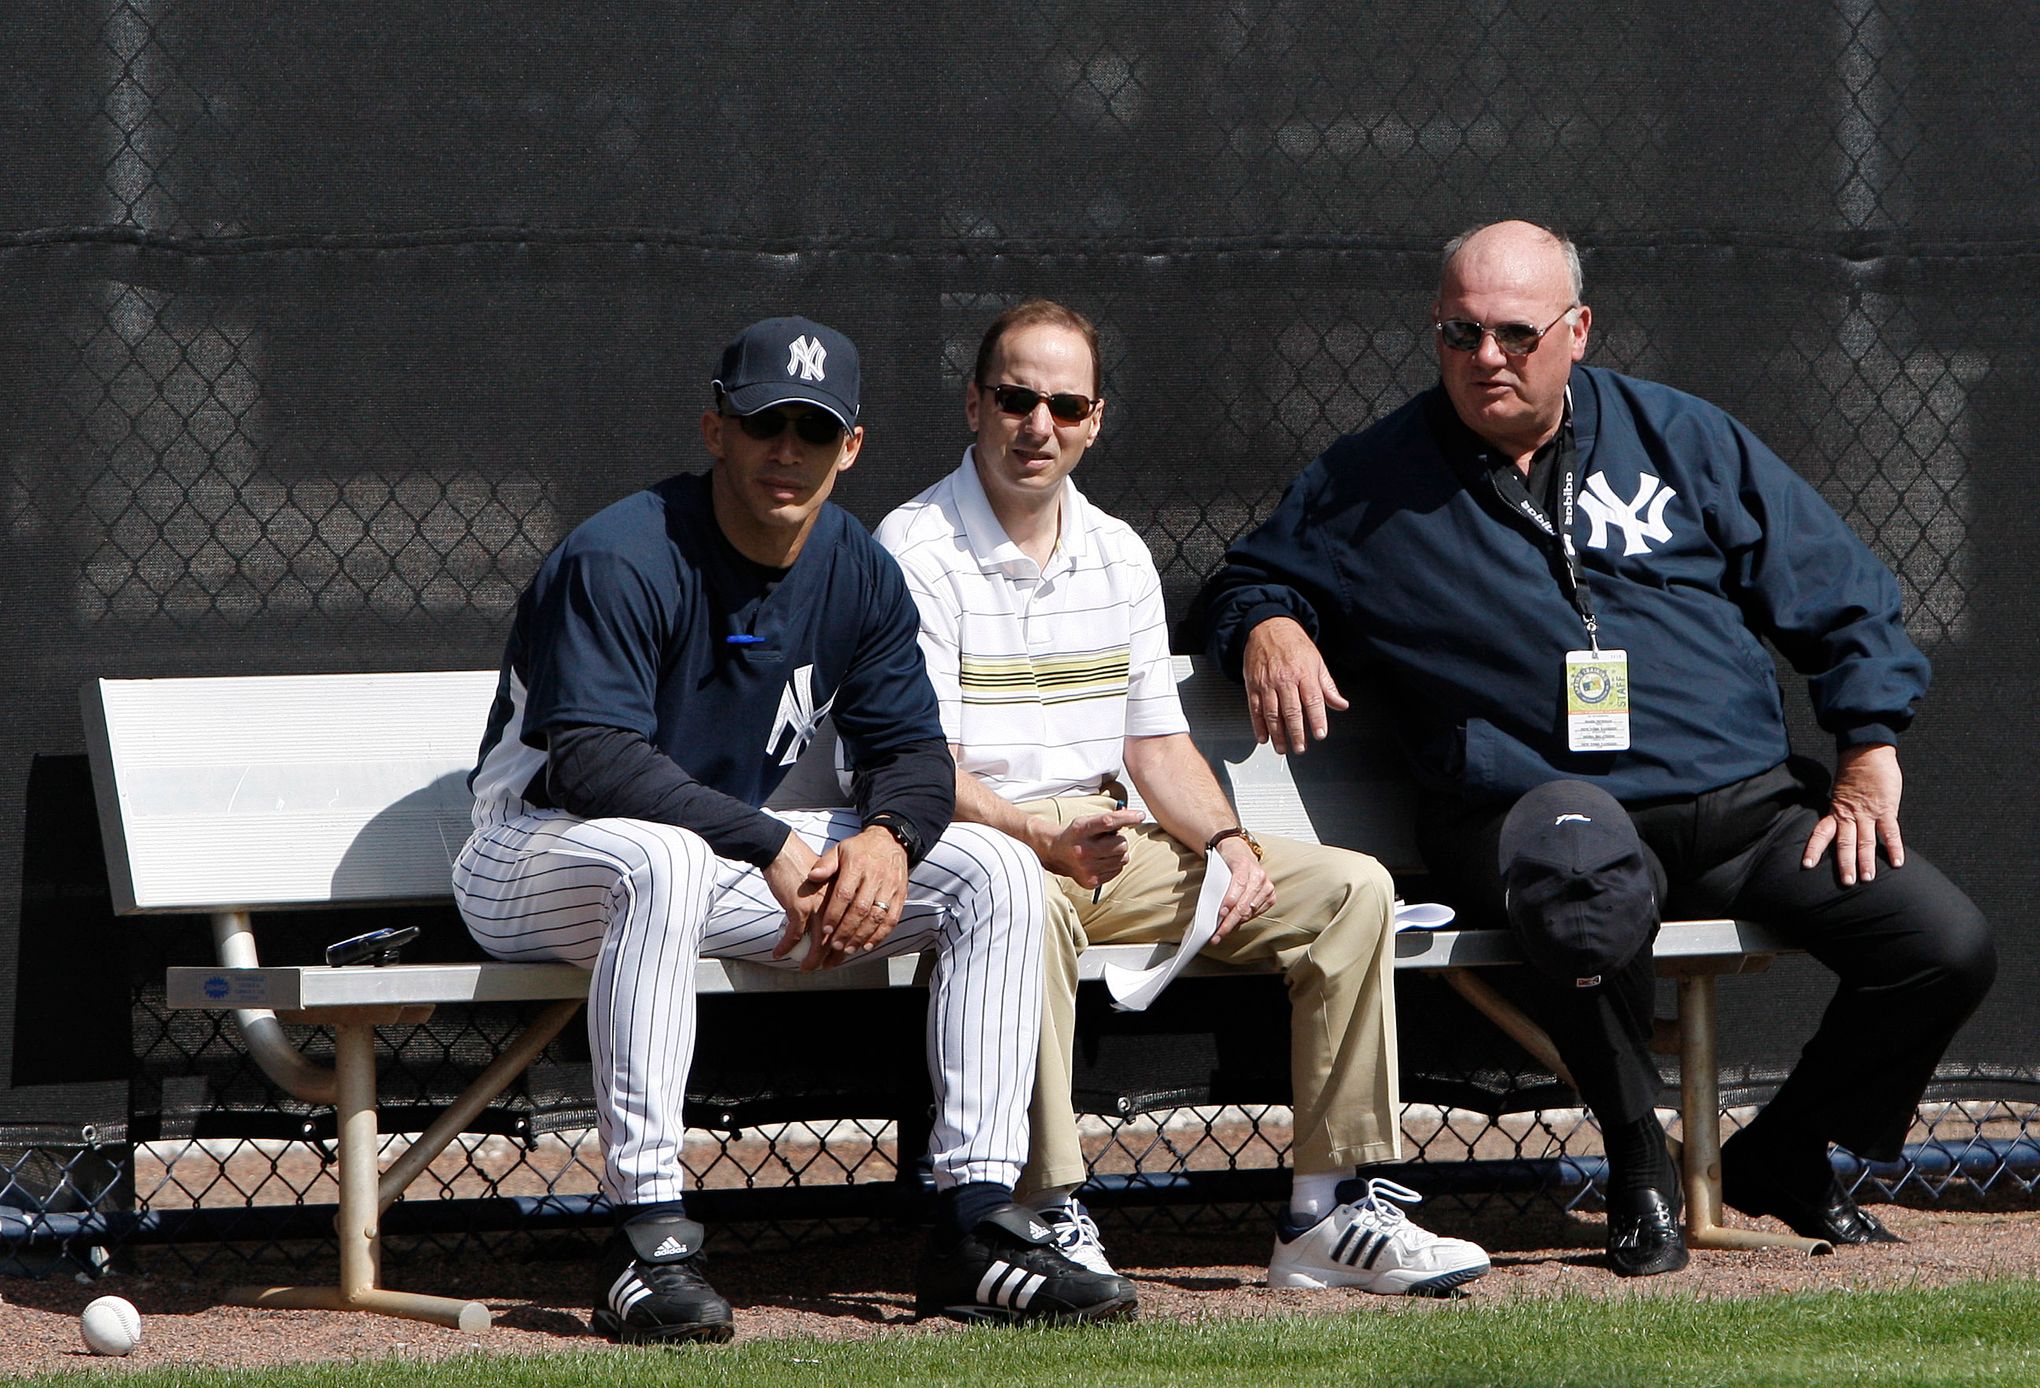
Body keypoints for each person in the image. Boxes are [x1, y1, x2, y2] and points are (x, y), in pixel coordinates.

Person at [1190, 221, 1996, 1278]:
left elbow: (1841, 592)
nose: (1486, 357)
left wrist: (1868, 745)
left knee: (1943, 942)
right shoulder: (1370, 481)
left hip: (1739, 803)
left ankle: (1789, 1149)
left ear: (1576, 331)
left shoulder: (1680, 436)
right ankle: (1636, 1163)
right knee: (1585, 872)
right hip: (1537, 805)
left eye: (1516, 334)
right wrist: (1268, 623)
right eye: (1459, 332)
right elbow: (1243, 576)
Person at [451, 315, 1136, 1343]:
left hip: (716, 857)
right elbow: (590, 761)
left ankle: (975, 1226)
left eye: (813, 431)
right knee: (662, 854)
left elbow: (911, 748)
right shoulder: (622, 553)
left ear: (850, 446)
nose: (787, 451)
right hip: (535, 848)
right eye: (764, 422)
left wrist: (887, 841)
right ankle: (647, 1237)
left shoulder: (855, 565)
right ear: (715, 428)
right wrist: (774, 844)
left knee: (996, 867)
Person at [875, 299, 1492, 1298]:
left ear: (1096, 419)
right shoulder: (913, 547)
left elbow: (1156, 743)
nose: (1040, 425)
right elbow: (922, 765)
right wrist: (1041, 832)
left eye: (1065, 404)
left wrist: (1233, 842)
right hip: (982, 850)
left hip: (1113, 845)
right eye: (1018, 398)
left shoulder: (1116, 550)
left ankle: (1325, 1215)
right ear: (975, 404)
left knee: (1351, 890)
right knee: (1014, 898)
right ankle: (1042, 1211)